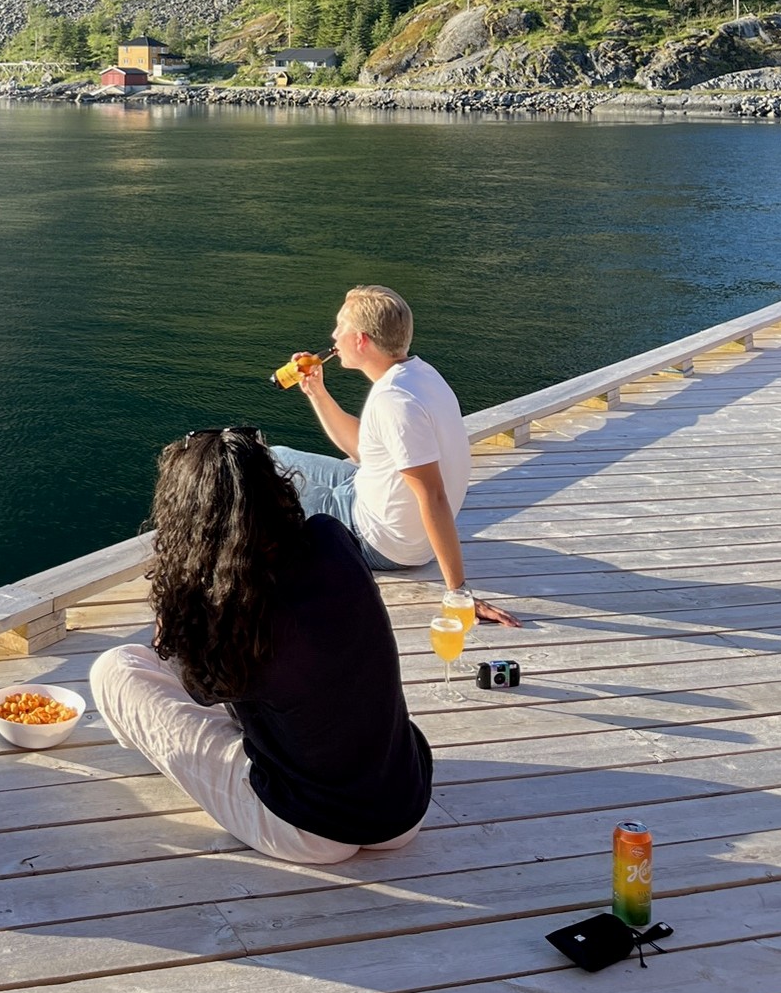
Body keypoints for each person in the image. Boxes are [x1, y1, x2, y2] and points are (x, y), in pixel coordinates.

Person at [90, 427, 432, 861]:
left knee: (117, 668)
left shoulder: (231, 610)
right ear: (278, 489)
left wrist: (178, 598)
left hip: (306, 828)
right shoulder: (332, 540)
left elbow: (199, 689)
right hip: (404, 805)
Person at [271, 283, 517, 626]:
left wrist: (458, 592)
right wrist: (317, 392)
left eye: (341, 327)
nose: (333, 334)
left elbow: (432, 496)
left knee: (264, 469)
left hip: (378, 540)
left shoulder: (394, 401)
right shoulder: (418, 375)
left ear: (361, 340)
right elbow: (365, 451)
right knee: (276, 456)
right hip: (376, 506)